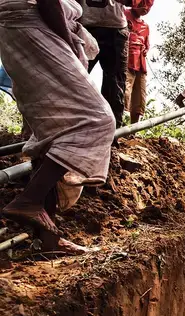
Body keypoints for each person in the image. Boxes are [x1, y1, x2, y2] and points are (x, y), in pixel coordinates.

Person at [0, 0, 115, 255]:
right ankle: (29, 199)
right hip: (35, 22)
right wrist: (68, 43)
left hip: (19, 27)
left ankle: (48, 242)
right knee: (98, 119)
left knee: (52, 131)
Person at [80, 0, 144, 129]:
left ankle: (112, 134)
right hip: (84, 26)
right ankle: (66, 129)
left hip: (113, 29)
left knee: (114, 86)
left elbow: (134, 2)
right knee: (73, 80)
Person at [124, 2, 151, 125]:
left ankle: (134, 129)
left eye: (149, 6)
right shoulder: (124, 14)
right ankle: (120, 124)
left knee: (140, 96)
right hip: (126, 60)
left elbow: (146, 45)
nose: (146, 8)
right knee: (124, 90)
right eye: (144, 4)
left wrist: (145, 49)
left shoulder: (145, 26)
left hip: (140, 63)